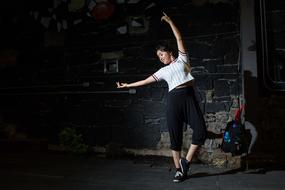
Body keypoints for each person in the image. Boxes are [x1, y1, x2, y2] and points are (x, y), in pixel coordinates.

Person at [116, 12, 207, 183]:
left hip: (188, 98)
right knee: (175, 136)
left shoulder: (182, 60)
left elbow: (179, 38)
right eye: (158, 56)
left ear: (169, 52)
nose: (160, 57)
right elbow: (145, 81)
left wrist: (170, 21)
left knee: (200, 131)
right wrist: (127, 85)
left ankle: (186, 162)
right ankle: (179, 171)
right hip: (173, 101)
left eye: (161, 54)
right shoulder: (162, 71)